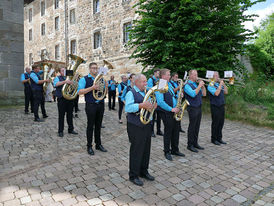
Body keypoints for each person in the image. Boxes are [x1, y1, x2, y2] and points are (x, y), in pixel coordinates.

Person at [125, 74, 156, 186]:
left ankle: (144, 171)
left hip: (146, 124)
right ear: (137, 82)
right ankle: (133, 175)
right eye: (143, 82)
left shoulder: (146, 92)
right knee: (136, 150)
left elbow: (150, 107)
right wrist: (141, 105)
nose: (145, 84)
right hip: (135, 125)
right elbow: (128, 108)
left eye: (146, 81)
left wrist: (153, 106)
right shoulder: (131, 92)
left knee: (146, 149)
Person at [78, 62, 107, 155]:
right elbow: (80, 92)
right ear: (90, 69)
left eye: (96, 68)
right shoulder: (84, 79)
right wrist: (92, 88)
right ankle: (89, 146)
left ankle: (98, 144)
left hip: (100, 104)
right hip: (91, 105)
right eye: (93, 68)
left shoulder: (101, 79)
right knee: (90, 126)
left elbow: (104, 93)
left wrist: (105, 87)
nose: (95, 70)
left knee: (98, 125)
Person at [156, 69, 185, 161]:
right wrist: (171, 109)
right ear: (163, 76)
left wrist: (179, 96)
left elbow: (172, 95)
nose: (170, 76)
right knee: (168, 131)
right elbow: (160, 102)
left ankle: (175, 149)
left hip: (174, 110)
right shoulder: (161, 84)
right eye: (168, 75)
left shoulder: (168, 84)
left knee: (176, 130)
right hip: (166, 112)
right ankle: (167, 151)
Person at [184, 70, 206, 153]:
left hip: (199, 107)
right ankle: (190, 145)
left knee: (197, 126)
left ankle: (195, 143)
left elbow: (204, 94)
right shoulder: (187, 85)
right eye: (195, 75)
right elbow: (193, 94)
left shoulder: (195, 84)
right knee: (192, 126)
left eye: (197, 74)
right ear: (190, 76)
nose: (197, 76)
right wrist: (199, 86)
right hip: (192, 108)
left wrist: (203, 87)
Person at [53, 68, 78, 137]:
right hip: (61, 99)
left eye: (65, 70)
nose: (64, 72)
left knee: (70, 115)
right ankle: (60, 131)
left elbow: (75, 86)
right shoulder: (57, 78)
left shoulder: (70, 78)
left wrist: (74, 82)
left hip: (69, 98)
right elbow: (56, 84)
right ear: (60, 72)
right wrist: (65, 82)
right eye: (62, 71)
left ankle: (71, 129)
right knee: (61, 115)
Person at [207, 71, 228, 145]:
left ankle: (219, 138)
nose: (216, 77)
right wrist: (220, 85)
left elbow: (226, 92)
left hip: (221, 105)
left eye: (217, 75)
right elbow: (216, 93)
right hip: (215, 106)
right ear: (212, 77)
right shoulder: (210, 85)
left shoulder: (219, 84)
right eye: (215, 76)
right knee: (215, 123)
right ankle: (214, 139)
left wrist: (223, 84)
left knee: (221, 122)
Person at [147, 69, 163, 137]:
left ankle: (158, 130)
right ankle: (151, 131)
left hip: (159, 100)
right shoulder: (150, 79)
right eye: (158, 73)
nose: (159, 75)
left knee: (159, 116)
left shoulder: (160, 80)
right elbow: (149, 89)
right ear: (154, 73)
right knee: (152, 116)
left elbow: (162, 90)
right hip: (153, 100)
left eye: (159, 74)